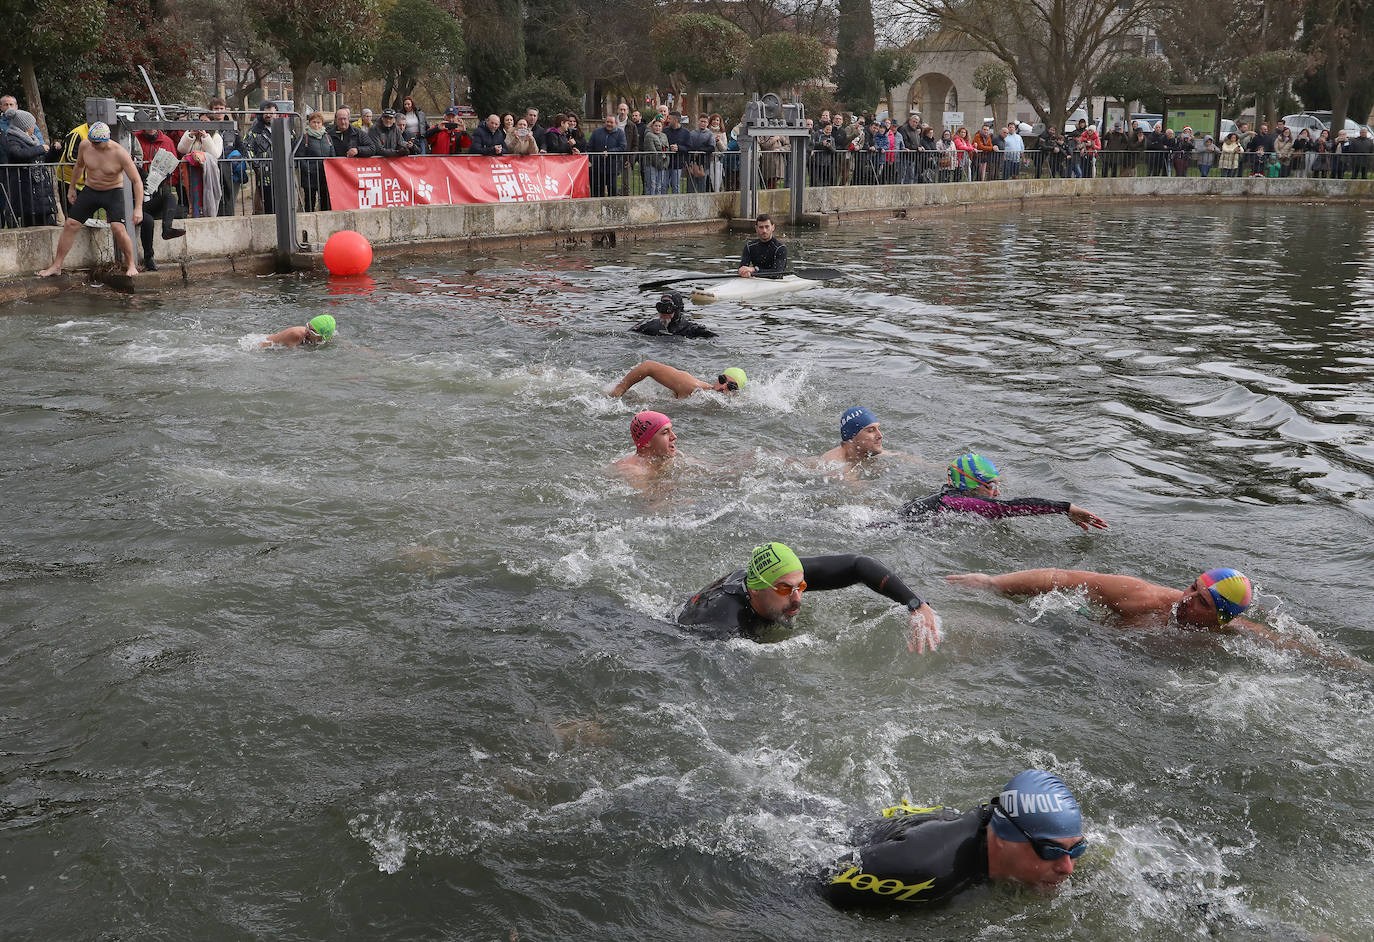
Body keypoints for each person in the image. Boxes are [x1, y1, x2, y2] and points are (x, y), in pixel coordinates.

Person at [943, 565, 1362, 667]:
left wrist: (1352, 666)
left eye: (1202, 603)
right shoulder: (1141, 596)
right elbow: (1062, 578)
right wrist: (993, 583)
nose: (1186, 600)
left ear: (1220, 621)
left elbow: (1294, 647)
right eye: (1192, 588)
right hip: (1075, 638)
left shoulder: (1231, 634)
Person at [822, 769, 1086, 909]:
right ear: (1006, 838)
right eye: (1050, 851)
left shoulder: (997, 827)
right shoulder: (927, 870)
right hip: (821, 830)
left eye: (1076, 849)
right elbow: (818, 880)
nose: (1068, 868)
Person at [677, 541, 940, 651]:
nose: (797, 599)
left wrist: (915, 604)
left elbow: (858, 564)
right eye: (784, 589)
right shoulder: (721, 626)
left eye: (801, 587)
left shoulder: (780, 578)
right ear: (756, 589)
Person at [37, 122, 143, 278]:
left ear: (107, 139)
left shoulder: (120, 153)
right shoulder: (86, 145)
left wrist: (138, 207)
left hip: (113, 192)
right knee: (70, 224)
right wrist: (72, 188)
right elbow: (79, 165)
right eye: (92, 142)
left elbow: (136, 181)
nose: (93, 146)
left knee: (117, 227)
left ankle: (131, 264)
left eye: (97, 143)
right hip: (91, 190)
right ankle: (56, 266)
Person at [896, 454, 1107, 529]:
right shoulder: (957, 503)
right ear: (969, 485)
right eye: (990, 485)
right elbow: (1008, 508)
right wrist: (1065, 508)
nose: (996, 493)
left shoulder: (949, 497)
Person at [609, 362, 745, 399]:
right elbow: (648, 366)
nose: (723, 387)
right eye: (722, 380)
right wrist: (620, 389)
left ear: (737, 393)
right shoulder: (692, 387)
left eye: (731, 387)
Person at [611, 410, 679, 483]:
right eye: (665, 432)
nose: (674, 436)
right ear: (647, 442)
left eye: (671, 430)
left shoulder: (668, 459)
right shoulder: (633, 473)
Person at [630, 291, 717, 338]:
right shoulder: (648, 325)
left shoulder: (691, 330)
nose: (663, 313)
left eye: (668, 308)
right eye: (660, 308)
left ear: (678, 309)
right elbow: (626, 336)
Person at [297, 110, 333, 212]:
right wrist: (307, 169)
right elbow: (300, 156)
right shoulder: (304, 138)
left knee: (325, 201)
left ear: (322, 123)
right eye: (314, 122)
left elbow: (332, 154)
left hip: (325, 175)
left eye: (319, 122)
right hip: (309, 176)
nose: (316, 125)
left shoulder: (327, 137)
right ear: (309, 123)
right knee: (310, 201)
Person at [587, 114, 627, 197]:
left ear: (616, 123)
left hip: (612, 167)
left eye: (611, 122)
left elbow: (623, 147)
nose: (609, 124)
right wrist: (591, 159)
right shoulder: (596, 132)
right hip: (597, 167)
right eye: (607, 122)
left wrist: (610, 152)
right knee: (597, 192)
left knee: (612, 190)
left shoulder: (620, 133)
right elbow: (589, 147)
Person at [737, 213, 787, 278]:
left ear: (773, 227)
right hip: (755, 280)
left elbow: (777, 273)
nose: (764, 231)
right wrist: (744, 272)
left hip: (775, 282)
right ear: (756, 228)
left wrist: (754, 270)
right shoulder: (749, 247)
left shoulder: (780, 248)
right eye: (761, 227)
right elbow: (742, 268)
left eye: (767, 227)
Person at [262, 314, 336, 348]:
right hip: (257, 344)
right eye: (307, 326)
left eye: (312, 331)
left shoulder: (328, 338)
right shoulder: (296, 335)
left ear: (323, 336)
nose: (306, 332)